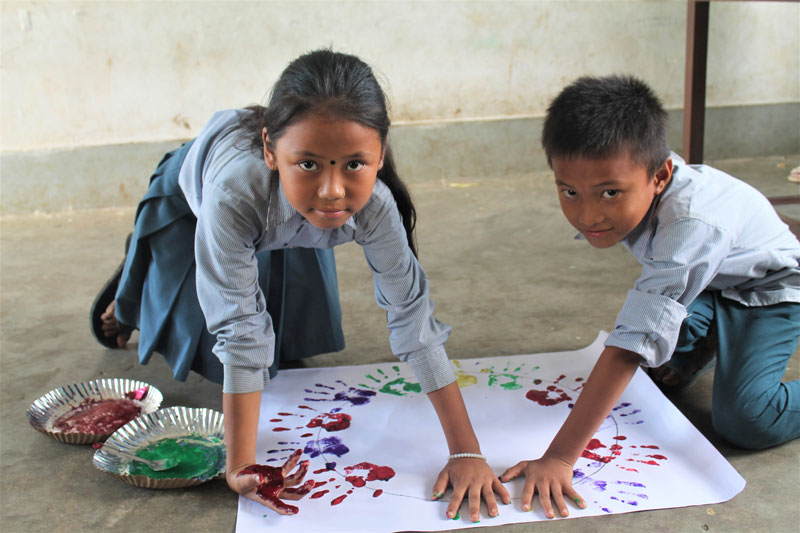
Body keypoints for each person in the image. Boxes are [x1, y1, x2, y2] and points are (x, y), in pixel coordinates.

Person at [91, 49, 509, 520]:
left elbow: (415, 322)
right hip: (192, 194)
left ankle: (158, 278)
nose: (333, 190)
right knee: (186, 321)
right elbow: (240, 332)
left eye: (354, 164)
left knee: (290, 347)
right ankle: (128, 292)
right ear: (271, 150)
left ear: (382, 151)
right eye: (309, 164)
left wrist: (466, 452)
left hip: (288, 214)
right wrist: (240, 465)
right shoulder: (231, 195)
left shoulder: (371, 207)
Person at [501, 74, 800, 519]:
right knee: (650, 371)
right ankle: (707, 338)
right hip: (711, 286)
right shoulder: (641, 166)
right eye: (569, 192)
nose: (587, 215)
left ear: (660, 176)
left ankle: (716, 337)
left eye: (609, 193)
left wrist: (561, 458)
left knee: (745, 420)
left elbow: (631, 342)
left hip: (770, 293)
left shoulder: (693, 223)